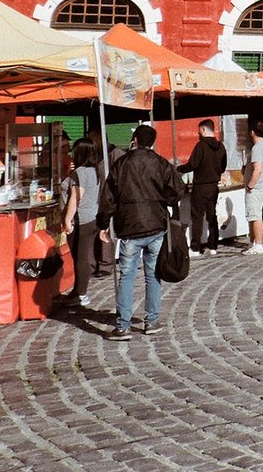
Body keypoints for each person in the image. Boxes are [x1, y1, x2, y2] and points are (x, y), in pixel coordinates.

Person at [97, 123, 184, 340]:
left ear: (135, 140)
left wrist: (103, 223)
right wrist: (165, 202)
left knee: (126, 276)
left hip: (129, 227)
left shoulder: (121, 164)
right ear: (152, 142)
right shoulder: (161, 163)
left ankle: (123, 326)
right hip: (155, 225)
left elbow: (108, 197)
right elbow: (178, 189)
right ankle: (151, 321)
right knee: (153, 276)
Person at [60, 138, 103, 306]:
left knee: (80, 257)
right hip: (91, 217)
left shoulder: (81, 173)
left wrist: (67, 219)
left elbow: (75, 197)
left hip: (82, 220)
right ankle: (78, 290)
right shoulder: (93, 171)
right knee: (82, 256)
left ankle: (81, 293)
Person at [180, 119, 228, 256]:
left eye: (199, 130)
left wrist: (179, 168)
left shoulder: (201, 146)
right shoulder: (221, 147)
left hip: (200, 186)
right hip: (214, 186)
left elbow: (192, 165)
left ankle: (195, 248)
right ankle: (213, 246)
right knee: (212, 216)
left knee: (197, 218)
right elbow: (223, 167)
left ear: (203, 130)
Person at [243, 119, 263, 254]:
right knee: (254, 215)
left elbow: (258, 169)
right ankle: (254, 242)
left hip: (257, 187)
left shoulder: (257, 148)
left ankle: (258, 244)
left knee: (255, 215)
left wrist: (250, 185)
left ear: (252, 132)